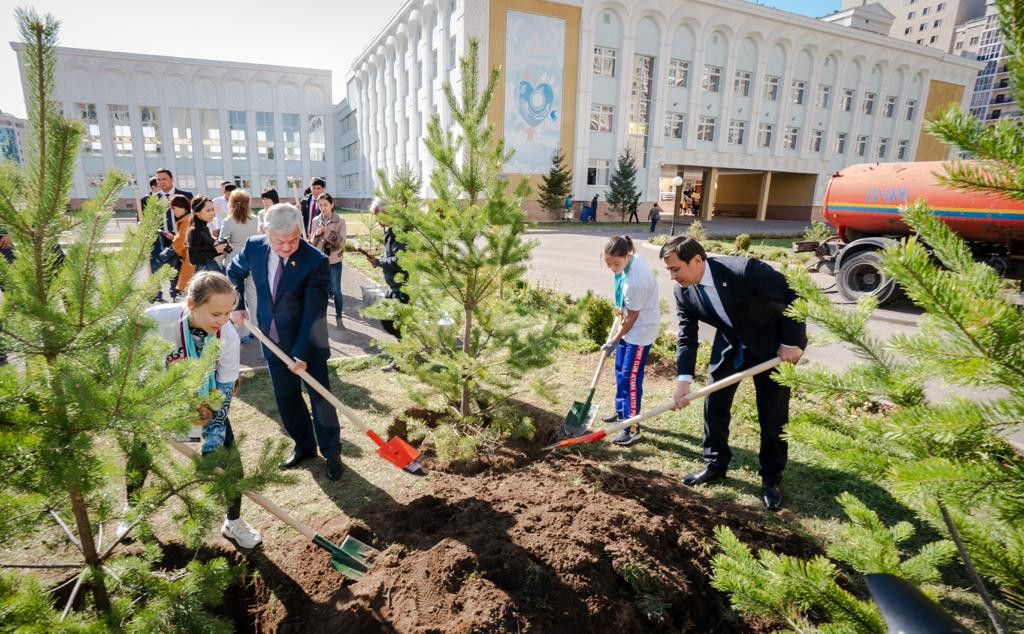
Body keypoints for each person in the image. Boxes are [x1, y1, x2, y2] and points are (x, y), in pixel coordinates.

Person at [659, 236, 806, 511]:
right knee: (714, 403)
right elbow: (686, 337)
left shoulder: (744, 270)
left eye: (675, 269)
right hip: (731, 344)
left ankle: (771, 478)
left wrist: (791, 341)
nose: (672, 277)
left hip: (771, 346)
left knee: (772, 413)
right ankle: (715, 464)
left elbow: (794, 294)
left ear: (697, 261)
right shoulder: (684, 293)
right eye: (669, 270)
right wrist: (683, 381)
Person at [127, 272, 261, 548]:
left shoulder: (229, 337)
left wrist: (211, 439)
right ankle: (133, 514)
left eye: (227, 313)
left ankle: (233, 522)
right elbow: (121, 340)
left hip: (204, 398)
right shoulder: (157, 319)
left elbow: (223, 393)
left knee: (230, 458)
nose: (222, 321)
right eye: (215, 313)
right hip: (157, 393)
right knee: (140, 453)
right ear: (191, 304)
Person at [226, 203, 343, 480]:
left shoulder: (314, 261)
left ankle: (332, 452)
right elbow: (233, 270)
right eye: (280, 241)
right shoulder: (254, 247)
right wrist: (238, 303)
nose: (288, 246)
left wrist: (301, 353)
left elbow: (314, 313)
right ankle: (304, 445)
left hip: (308, 344)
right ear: (265, 231)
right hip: (271, 339)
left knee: (321, 399)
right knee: (287, 398)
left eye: (293, 239)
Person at [598, 236, 660, 445]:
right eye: (608, 264)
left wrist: (615, 339)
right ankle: (620, 410)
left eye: (616, 263)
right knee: (620, 371)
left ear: (627, 255)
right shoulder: (630, 260)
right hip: (628, 326)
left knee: (631, 378)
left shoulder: (636, 282)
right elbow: (626, 312)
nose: (613, 268)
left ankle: (632, 427)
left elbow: (633, 317)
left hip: (640, 333)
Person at [367, 197, 408, 372]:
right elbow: (391, 256)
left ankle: (404, 356)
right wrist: (379, 260)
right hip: (394, 286)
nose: (377, 219)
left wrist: (380, 262)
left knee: (394, 323)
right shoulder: (390, 231)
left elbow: (399, 260)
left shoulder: (399, 231)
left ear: (387, 212)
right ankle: (404, 355)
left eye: (378, 214)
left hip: (402, 286)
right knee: (390, 322)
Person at [143, 168, 193, 302]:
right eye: (159, 180)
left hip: (180, 240)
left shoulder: (185, 195)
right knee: (156, 268)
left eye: (164, 179)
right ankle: (156, 295)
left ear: (171, 179)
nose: (161, 182)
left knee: (177, 271)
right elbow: (151, 221)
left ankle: (176, 296)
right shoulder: (153, 199)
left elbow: (192, 218)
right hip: (161, 241)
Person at [219, 190, 261, 341]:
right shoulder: (255, 219)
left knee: (238, 297)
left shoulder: (228, 221)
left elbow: (221, 243)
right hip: (252, 258)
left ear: (230, 203)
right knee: (253, 296)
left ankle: (243, 332)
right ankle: (255, 329)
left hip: (233, 260)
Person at [309, 193, 346, 329]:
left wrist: (328, 233)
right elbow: (312, 244)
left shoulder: (340, 220)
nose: (323, 208)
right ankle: (321, 320)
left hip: (334, 261)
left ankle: (339, 317)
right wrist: (317, 235)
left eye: (325, 204)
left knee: (336, 290)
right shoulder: (315, 220)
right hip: (320, 262)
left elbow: (341, 243)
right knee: (321, 292)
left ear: (332, 205)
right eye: (320, 205)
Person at [187, 195, 229, 274]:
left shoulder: (204, 227)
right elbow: (193, 259)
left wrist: (219, 246)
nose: (212, 213)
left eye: (213, 210)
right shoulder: (195, 230)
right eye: (208, 210)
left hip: (209, 269)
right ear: (197, 212)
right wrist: (215, 250)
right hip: (205, 272)